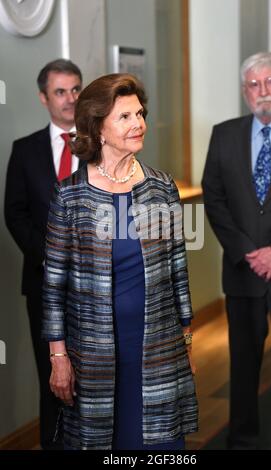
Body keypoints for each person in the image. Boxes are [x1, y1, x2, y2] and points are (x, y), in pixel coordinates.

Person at [41, 73, 198, 450]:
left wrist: (186, 343)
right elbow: (53, 286)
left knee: (159, 445)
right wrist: (58, 356)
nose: (138, 124)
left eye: (140, 114)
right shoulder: (70, 196)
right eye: (125, 117)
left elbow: (178, 270)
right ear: (98, 128)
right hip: (93, 355)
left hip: (159, 350)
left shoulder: (162, 187)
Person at [202, 51, 271, 450]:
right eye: (254, 84)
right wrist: (247, 250)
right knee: (243, 368)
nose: (263, 92)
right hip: (243, 273)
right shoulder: (224, 134)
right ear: (245, 91)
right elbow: (215, 197)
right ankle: (241, 442)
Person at [4, 59, 83, 450]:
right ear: (43, 97)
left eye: (75, 90)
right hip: (43, 283)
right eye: (60, 92)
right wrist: (50, 256)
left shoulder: (103, 144)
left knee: (98, 376)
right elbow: (14, 213)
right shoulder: (24, 150)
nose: (70, 100)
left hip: (97, 285)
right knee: (53, 376)